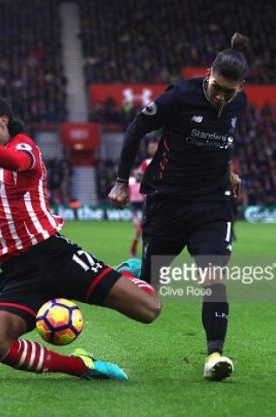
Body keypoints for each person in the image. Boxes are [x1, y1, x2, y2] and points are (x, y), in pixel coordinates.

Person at [0, 35, 161, 381]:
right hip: (17, 272)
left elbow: (14, 161)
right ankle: (83, 367)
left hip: (54, 255)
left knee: (150, 310)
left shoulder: (26, 148)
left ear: (4, 120)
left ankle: (123, 272)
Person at [109, 33, 249, 381]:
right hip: (167, 201)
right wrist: (122, 180)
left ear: (241, 88)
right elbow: (135, 129)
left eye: (229, 91)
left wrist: (228, 169)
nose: (221, 96)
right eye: (216, 87)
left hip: (213, 205)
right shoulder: (178, 97)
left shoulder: (238, 103)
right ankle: (133, 268)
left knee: (213, 276)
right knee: (149, 288)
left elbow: (223, 141)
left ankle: (215, 354)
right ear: (207, 74)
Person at [128, 141, 157, 257]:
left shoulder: (162, 161)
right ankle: (134, 250)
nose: (151, 149)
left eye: (153, 146)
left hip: (147, 202)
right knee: (139, 229)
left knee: (146, 229)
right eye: (150, 147)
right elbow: (139, 177)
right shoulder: (146, 164)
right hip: (136, 205)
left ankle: (141, 250)